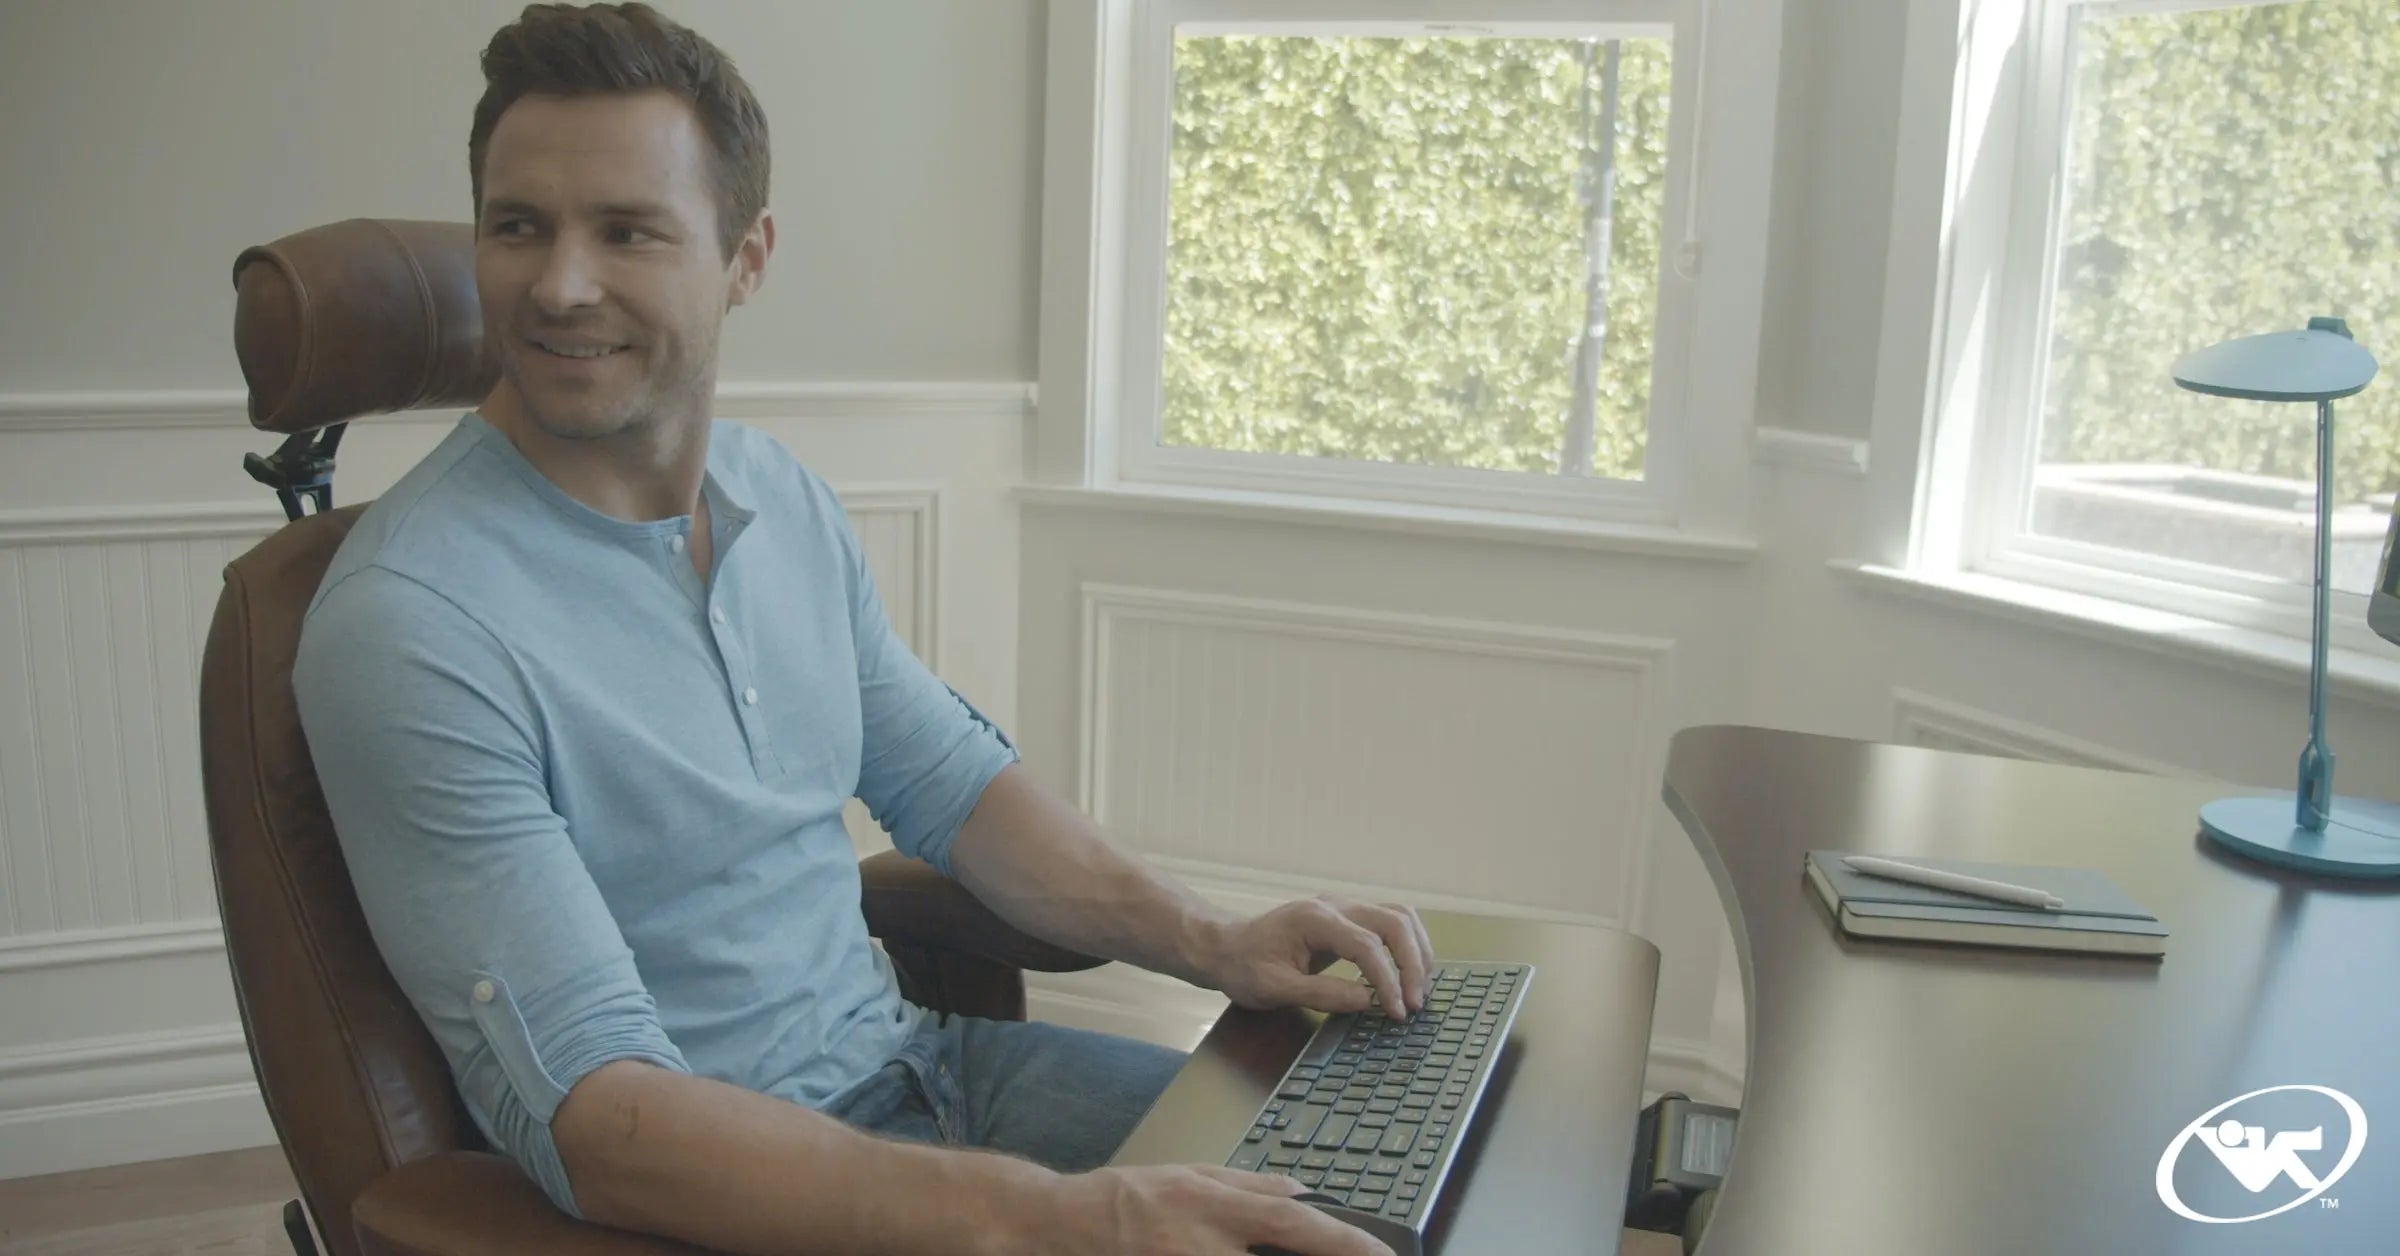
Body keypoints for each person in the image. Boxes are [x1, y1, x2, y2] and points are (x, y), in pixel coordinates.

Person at [291, 5, 1429, 1254]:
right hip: (728, 1200)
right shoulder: (413, 623)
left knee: (1384, 1185)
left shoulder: (778, 499)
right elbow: (601, 1120)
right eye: (519, 227)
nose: (560, 283)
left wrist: (1215, 937)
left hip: (924, 1068)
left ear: (746, 256)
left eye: (626, 230)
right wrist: (1052, 1220)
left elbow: (960, 790)